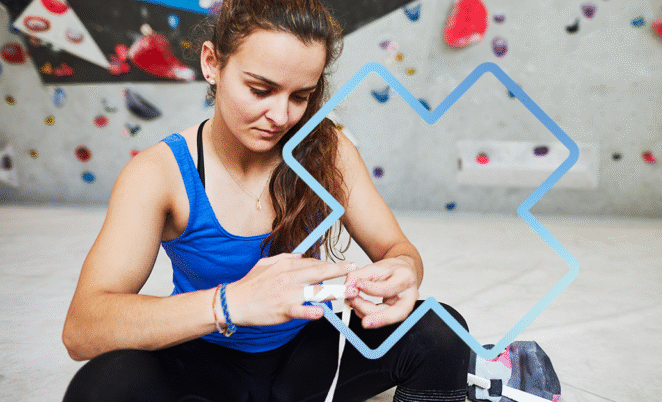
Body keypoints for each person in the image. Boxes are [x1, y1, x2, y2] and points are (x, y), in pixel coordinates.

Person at [62, 0, 470, 401]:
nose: (281, 116)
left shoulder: (328, 150)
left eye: (300, 96)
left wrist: (403, 269)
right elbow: (83, 329)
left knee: (441, 330)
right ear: (212, 64)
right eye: (261, 89)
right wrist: (231, 302)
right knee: (100, 386)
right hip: (207, 358)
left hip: (308, 354)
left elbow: (395, 249)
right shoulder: (159, 173)